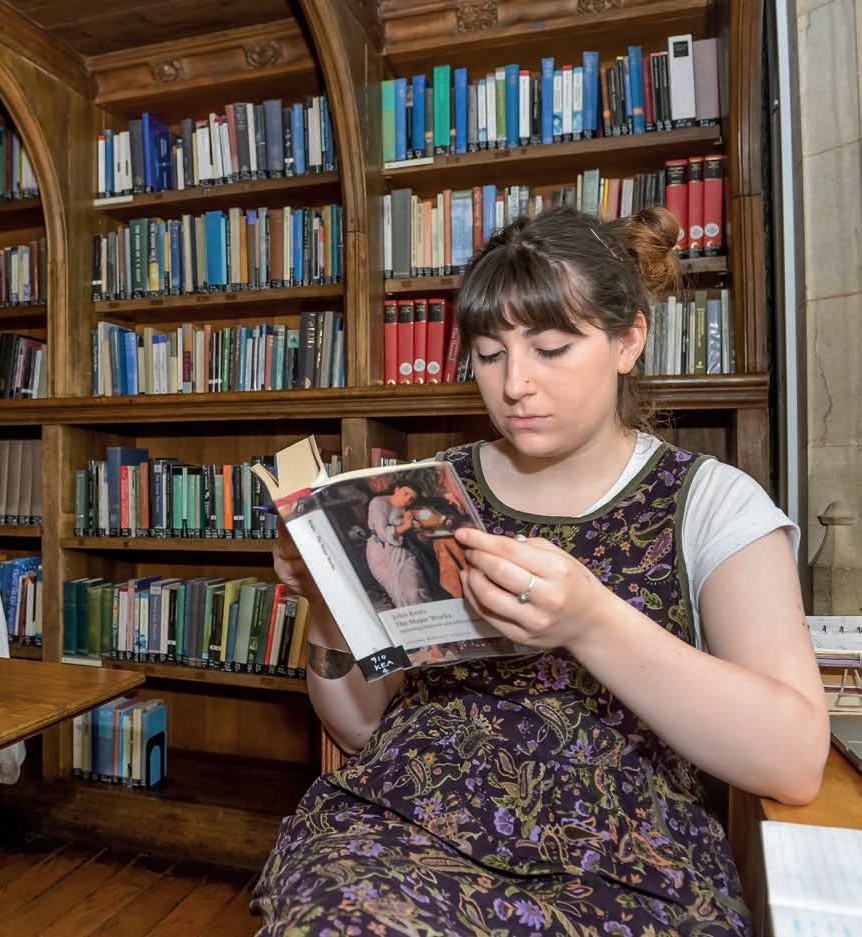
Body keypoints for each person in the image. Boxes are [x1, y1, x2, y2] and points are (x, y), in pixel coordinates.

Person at [255, 206, 828, 935]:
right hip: (406, 828)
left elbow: (792, 761)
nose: (515, 384)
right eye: (489, 354)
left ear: (628, 341)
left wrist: (591, 623)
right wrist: (330, 600)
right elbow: (361, 729)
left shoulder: (711, 501)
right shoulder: (429, 493)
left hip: (626, 859)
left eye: (551, 348)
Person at [365, 481, 432, 607]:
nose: (407, 499)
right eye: (405, 493)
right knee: (396, 593)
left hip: (402, 553)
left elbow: (414, 526)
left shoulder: (406, 509)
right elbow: (382, 533)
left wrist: (416, 525)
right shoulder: (378, 503)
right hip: (381, 554)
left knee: (414, 591)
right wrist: (406, 525)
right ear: (396, 489)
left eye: (411, 498)